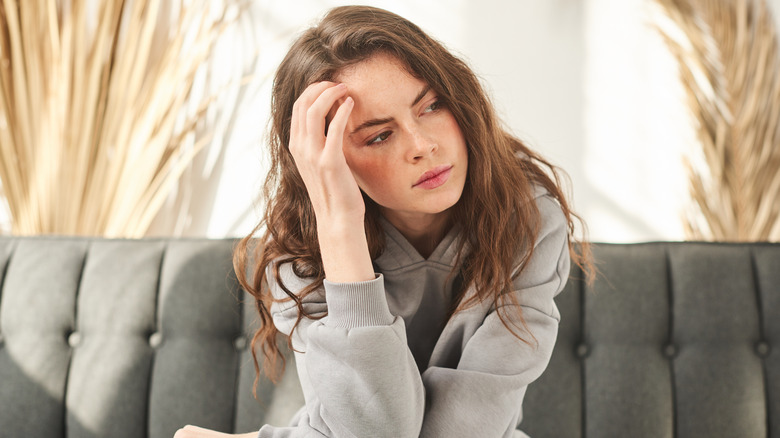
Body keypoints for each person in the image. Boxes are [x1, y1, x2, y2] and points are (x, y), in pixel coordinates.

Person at [176, 5, 591, 438]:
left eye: (431, 106)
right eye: (378, 135)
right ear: (327, 159)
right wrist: (341, 232)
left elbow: (469, 428)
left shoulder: (527, 217)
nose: (423, 145)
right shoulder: (303, 249)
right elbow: (374, 430)